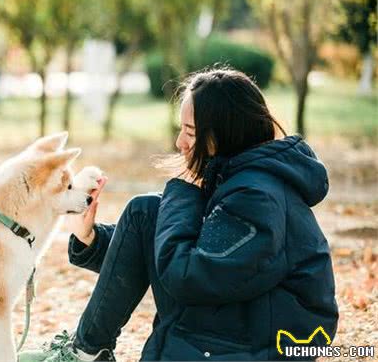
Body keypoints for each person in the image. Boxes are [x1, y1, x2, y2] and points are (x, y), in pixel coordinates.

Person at [19, 68, 338, 361]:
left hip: (267, 338)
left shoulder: (256, 196)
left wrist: (185, 190)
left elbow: (186, 275)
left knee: (152, 214)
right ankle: (87, 351)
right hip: (248, 311)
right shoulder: (238, 177)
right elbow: (174, 253)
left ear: (223, 134)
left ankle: (84, 353)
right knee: (145, 212)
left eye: (190, 131)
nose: (179, 143)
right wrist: (91, 238)